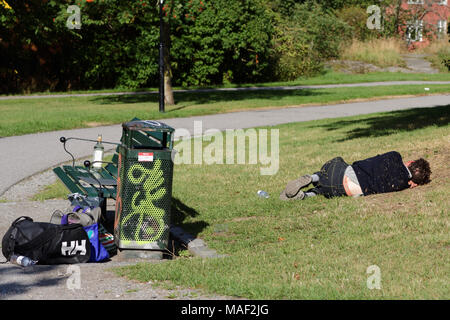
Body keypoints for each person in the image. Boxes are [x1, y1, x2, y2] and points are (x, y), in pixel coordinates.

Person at [280, 151, 431, 200]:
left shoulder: (395, 156)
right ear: (415, 183)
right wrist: (409, 183)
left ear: (410, 161)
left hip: (341, 174)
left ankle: (312, 178)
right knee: (324, 191)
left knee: (336, 162)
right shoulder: (401, 185)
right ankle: (306, 196)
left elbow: (367, 162)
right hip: (342, 191)